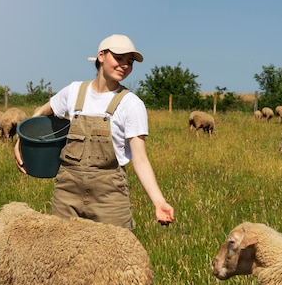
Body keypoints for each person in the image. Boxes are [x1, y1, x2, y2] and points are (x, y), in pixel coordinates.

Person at [14, 34, 174, 231]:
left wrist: (159, 202)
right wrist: (23, 140)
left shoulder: (131, 104)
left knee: (116, 255)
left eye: (130, 62)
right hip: (67, 192)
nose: (124, 65)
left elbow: (140, 159)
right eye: (119, 58)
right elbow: (43, 111)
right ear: (101, 56)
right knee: (63, 253)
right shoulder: (74, 91)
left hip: (109, 196)